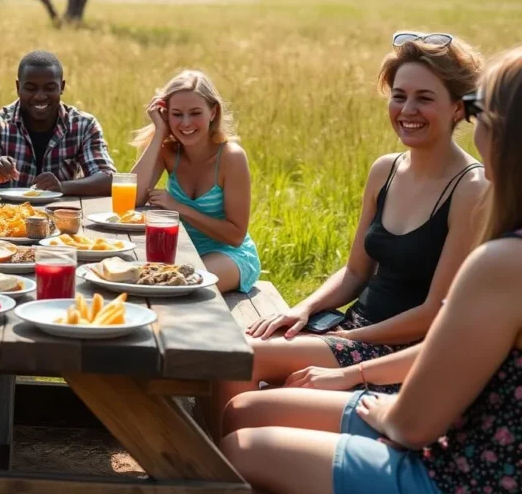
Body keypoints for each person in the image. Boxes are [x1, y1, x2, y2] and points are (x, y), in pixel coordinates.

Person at [220, 45, 522, 494]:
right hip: (427, 401)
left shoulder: (487, 225)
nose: (407, 109)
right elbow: (357, 270)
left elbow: (421, 394)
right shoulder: (387, 170)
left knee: (242, 442)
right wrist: (305, 312)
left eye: (481, 111)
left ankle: (198, 473)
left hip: (461, 463)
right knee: (241, 407)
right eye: (399, 95)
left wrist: (350, 359)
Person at [131, 69, 260, 294]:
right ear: (165, 114)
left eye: (195, 113)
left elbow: (236, 235)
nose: (186, 123)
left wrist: (179, 208)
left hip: (228, 255)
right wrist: (159, 133)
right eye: (177, 114)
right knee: (134, 281)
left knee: (177, 286)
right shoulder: (168, 152)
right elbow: (130, 198)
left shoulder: (231, 157)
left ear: (213, 112)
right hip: (180, 253)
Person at [0, 50, 116, 195]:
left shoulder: (84, 125)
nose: (40, 96)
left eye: (50, 88)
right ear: (18, 88)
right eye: (31, 88)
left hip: (60, 216)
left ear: (62, 87)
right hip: (7, 217)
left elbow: (108, 178)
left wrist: (62, 187)